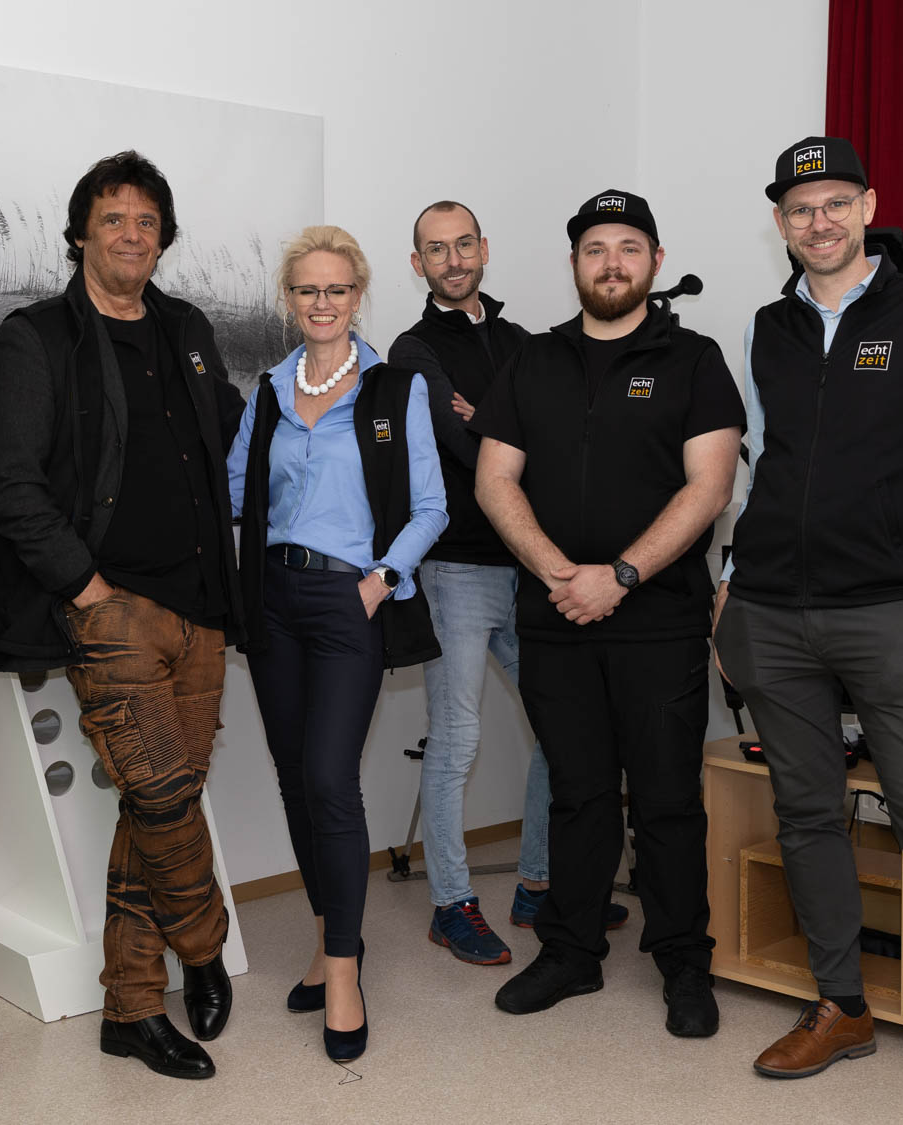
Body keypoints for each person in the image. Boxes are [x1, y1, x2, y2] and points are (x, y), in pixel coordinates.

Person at [713, 137, 903, 1125]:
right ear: (780, 221)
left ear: (868, 206)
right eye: (801, 208)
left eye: (836, 202)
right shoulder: (766, 327)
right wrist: (730, 580)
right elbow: (763, 467)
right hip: (771, 613)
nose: (820, 221)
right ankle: (840, 1006)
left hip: (889, 613)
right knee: (806, 816)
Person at [0, 151, 246, 1081]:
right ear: (80, 235)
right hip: (113, 610)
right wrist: (88, 590)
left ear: (163, 237)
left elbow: (229, 433)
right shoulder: (37, 336)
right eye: (112, 219)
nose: (131, 235)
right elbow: (10, 482)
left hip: (202, 607)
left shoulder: (188, 328)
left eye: (146, 221)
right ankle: (203, 945)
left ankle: (130, 1008)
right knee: (165, 797)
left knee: (153, 805)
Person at [473, 190, 740, 1037]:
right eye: (595, 248)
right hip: (556, 615)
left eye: (629, 246)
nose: (612, 262)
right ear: (575, 264)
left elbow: (711, 485)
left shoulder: (694, 359)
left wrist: (620, 575)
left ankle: (683, 961)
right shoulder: (534, 360)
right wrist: (561, 572)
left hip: (658, 619)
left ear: (655, 261)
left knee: (666, 799)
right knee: (577, 792)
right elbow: (494, 479)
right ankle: (571, 951)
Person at [229, 225, 448, 1062]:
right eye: (307, 290)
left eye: (337, 289)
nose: (322, 303)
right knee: (295, 779)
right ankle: (326, 940)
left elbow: (431, 505)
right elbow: (235, 488)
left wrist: (381, 579)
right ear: (289, 300)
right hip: (273, 600)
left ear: (358, 295)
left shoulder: (395, 389)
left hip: (346, 600)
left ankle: (347, 971)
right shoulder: (269, 391)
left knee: (331, 779)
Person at [388, 200, 604, 966]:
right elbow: (461, 441)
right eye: (436, 249)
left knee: (560, 727)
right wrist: (503, 427)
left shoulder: (522, 342)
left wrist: (498, 424)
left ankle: (537, 883)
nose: (453, 259)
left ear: (484, 248)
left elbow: (567, 436)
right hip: (454, 568)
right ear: (418, 263)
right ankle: (451, 903)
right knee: (457, 740)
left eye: (463, 244)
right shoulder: (413, 350)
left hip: (528, 563)